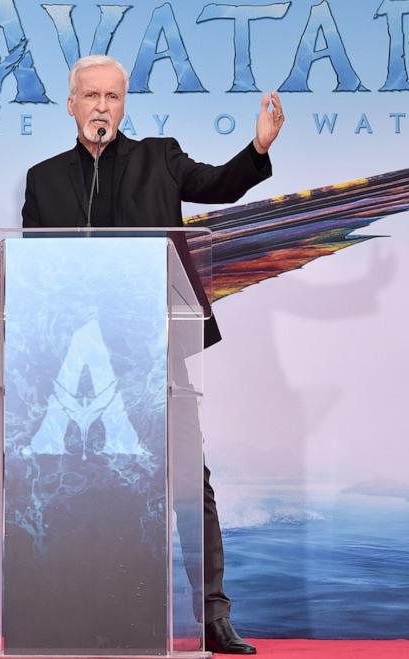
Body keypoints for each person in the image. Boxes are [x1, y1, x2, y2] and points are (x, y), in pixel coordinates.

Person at [22, 55, 284, 654]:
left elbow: (218, 184)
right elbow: (37, 271)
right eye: (91, 97)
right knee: (86, 485)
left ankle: (213, 618)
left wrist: (257, 149)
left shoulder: (159, 157)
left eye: (113, 97)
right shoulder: (44, 179)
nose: (102, 108)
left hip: (159, 348)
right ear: (71, 106)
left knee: (190, 480)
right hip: (79, 364)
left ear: (124, 105)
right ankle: (91, 613)